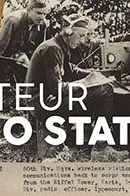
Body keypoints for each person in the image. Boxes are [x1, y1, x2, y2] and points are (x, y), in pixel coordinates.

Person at [25, 13, 115, 158]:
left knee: (99, 87)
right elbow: (57, 89)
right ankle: (100, 147)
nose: (83, 40)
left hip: (45, 101)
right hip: (44, 105)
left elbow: (70, 69)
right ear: (68, 31)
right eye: (80, 36)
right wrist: (85, 83)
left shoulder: (59, 46)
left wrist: (92, 74)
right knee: (105, 91)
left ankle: (86, 136)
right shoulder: (52, 49)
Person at [0, 0, 50, 82]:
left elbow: (40, 52)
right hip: (1, 61)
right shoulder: (13, 21)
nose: (42, 17)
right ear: (28, 9)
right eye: (38, 13)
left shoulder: (42, 24)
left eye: (45, 14)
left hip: (19, 60)